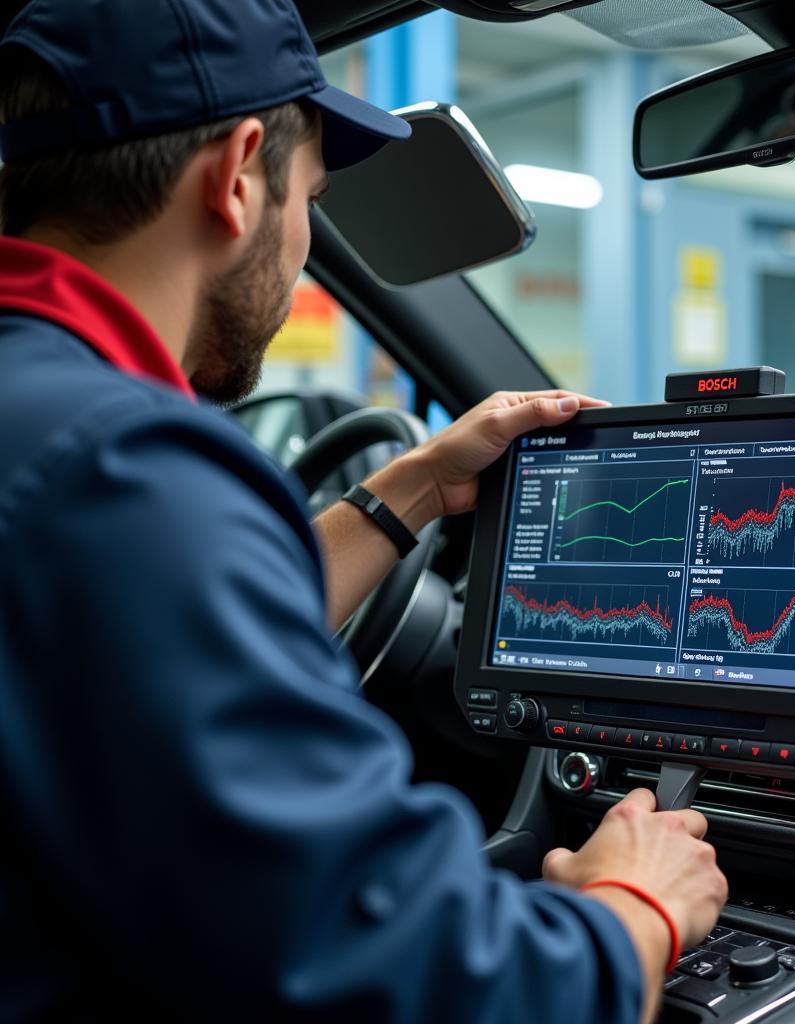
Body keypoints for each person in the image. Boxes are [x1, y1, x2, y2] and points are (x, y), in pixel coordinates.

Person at [0, 1, 727, 1021]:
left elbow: (139, 635)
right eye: (311, 197)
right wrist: (638, 903)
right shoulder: (127, 466)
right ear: (240, 173)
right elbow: (432, 982)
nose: (301, 245)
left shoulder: (55, 435)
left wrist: (415, 486)